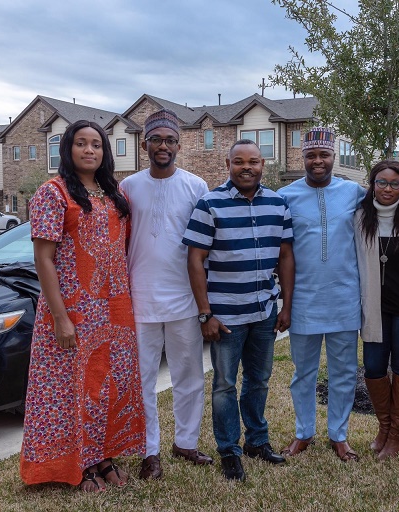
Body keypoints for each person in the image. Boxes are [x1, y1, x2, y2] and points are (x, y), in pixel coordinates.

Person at [20, 120, 145, 492]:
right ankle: (80, 464)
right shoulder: (52, 192)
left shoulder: (114, 192)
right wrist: (60, 317)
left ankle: (103, 455)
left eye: (96, 145)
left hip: (115, 306)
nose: (89, 150)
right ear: (67, 149)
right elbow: (43, 260)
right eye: (81, 144)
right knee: (72, 387)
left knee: (107, 384)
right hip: (73, 308)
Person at [183, 139, 294, 482]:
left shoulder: (278, 202)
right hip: (225, 317)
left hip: (263, 311)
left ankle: (257, 441)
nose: (247, 167)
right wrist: (205, 314)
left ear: (263, 164)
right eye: (239, 162)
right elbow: (195, 260)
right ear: (227, 164)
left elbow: (286, 256)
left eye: (254, 162)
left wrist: (286, 305)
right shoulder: (209, 203)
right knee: (225, 384)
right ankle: (229, 449)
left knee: (259, 381)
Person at [119, 108, 212, 480]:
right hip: (138, 298)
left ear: (179, 144)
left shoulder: (196, 186)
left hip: (184, 298)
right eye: (156, 139)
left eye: (170, 140)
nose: (163, 146)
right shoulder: (127, 187)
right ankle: (149, 450)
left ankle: (186, 442)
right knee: (141, 379)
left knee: (188, 375)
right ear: (145, 144)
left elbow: (205, 246)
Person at [278, 127, 366, 462]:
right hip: (303, 299)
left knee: (344, 371)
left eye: (324, 155)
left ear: (334, 157)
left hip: (345, 296)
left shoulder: (354, 192)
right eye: (311, 155)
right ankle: (304, 433)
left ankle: (339, 435)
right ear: (303, 158)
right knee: (304, 372)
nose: (318, 161)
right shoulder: (286, 195)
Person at [355, 160, 399, 460]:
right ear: (372, 184)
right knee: (375, 368)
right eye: (382, 182)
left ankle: (398, 432)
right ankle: (384, 427)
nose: (388, 189)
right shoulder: (360, 218)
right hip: (374, 307)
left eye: (395, 184)